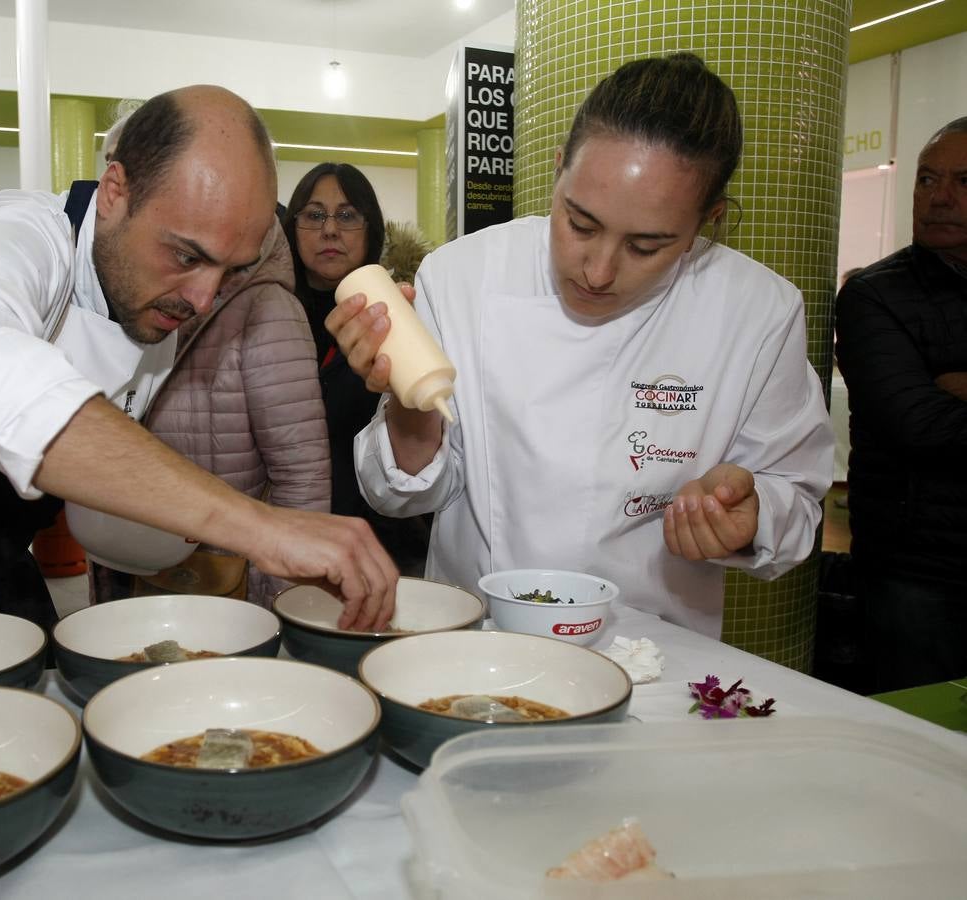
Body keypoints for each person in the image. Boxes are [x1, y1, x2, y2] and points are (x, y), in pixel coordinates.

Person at [0, 86, 397, 694]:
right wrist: (257, 526)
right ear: (116, 189)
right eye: (186, 256)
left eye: (230, 270)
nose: (204, 298)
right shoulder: (17, 235)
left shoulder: (156, 294)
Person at [332, 53, 833, 638]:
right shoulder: (462, 276)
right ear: (558, 172)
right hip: (480, 642)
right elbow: (402, 497)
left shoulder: (758, 312)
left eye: (646, 247)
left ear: (708, 222)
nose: (597, 271)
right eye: (580, 224)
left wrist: (750, 518)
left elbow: (794, 499)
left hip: (652, 654)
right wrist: (409, 405)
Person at [91, 216, 332, 608]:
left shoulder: (267, 309)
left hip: (222, 588)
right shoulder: (130, 284)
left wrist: (282, 604)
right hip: (124, 568)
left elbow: (302, 477)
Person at [835, 117, 967, 692]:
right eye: (926, 180)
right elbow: (919, 424)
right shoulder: (877, 294)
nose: (940, 198)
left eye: (964, 181)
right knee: (921, 736)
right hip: (917, 570)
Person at [283, 163, 432, 576]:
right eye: (314, 215)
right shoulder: (270, 317)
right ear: (292, 227)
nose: (330, 230)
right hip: (291, 540)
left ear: (372, 228)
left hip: (388, 546)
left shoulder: (401, 316)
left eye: (347, 216)